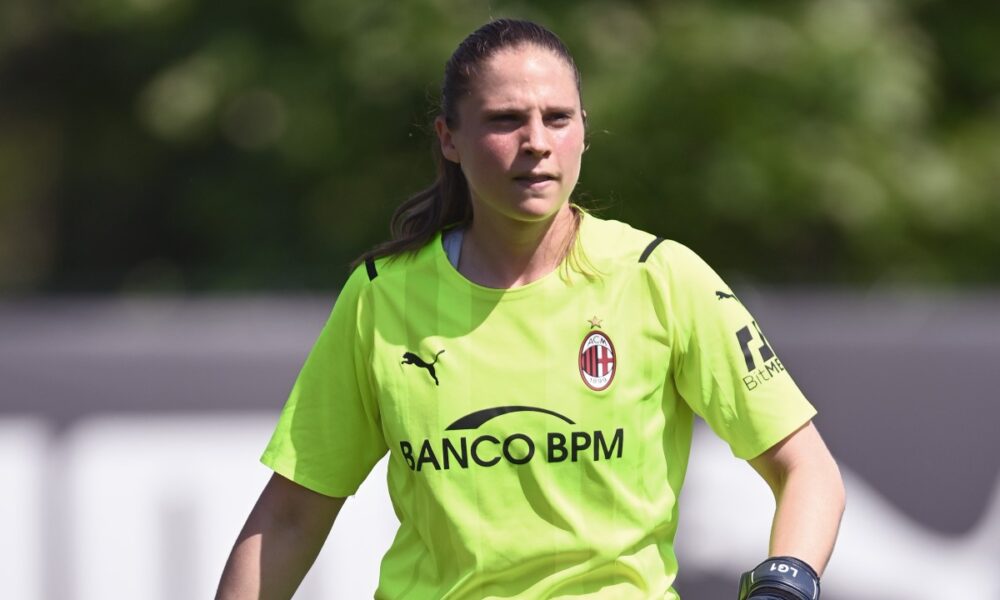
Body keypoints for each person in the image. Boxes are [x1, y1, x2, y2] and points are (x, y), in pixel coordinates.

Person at [216, 18, 845, 600]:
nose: (537, 143)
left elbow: (806, 470)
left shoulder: (661, 276)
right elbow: (292, 515)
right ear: (450, 139)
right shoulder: (381, 295)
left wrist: (783, 586)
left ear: (584, 131)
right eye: (506, 120)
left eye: (558, 118)